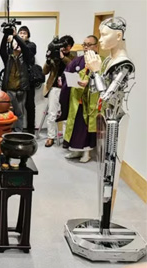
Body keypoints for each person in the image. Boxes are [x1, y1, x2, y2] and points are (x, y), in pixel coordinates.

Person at [86, 17, 135, 230]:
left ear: (119, 35)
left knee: (111, 171)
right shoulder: (108, 61)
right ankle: (102, 219)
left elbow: (106, 95)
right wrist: (94, 70)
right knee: (103, 168)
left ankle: (106, 222)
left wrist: (96, 71)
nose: (101, 39)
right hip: (105, 119)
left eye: (105, 34)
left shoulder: (125, 65)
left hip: (116, 120)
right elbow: (94, 90)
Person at [60, 35, 100, 163]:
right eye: (84, 44)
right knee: (74, 126)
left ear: (96, 46)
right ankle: (75, 150)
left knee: (86, 127)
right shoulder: (77, 61)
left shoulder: (100, 61)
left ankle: (86, 152)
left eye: (89, 44)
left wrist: (88, 83)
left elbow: (102, 80)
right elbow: (67, 73)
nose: (86, 47)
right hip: (76, 99)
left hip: (90, 101)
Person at [0, 26, 37, 132]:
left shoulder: (26, 58)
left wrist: (16, 36)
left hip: (21, 89)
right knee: (8, 112)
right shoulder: (8, 57)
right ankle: (7, 131)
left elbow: (25, 48)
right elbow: (1, 49)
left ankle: (18, 132)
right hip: (9, 88)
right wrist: (6, 34)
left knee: (20, 113)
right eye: (15, 43)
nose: (17, 45)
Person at [43, 35, 74, 147]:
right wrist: (48, 60)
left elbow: (72, 66)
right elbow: (44, 72)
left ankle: (66, 138)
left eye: (67, 46)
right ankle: (50, 137)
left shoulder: (73, 57)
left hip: (67, 88)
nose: (64, 48)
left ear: (70, 47)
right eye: (63, 45)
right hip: (54, 87)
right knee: (52, 114)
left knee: (66, 116)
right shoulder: (54, 56)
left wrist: (62, 57)